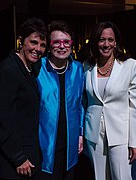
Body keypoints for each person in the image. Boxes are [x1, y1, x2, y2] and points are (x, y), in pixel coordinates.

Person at [0, 17, 47, 179]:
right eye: (33, 42)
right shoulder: (9, 69)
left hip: (28, 149)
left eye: (42, 45)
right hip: (14, 158)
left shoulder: (31, 67)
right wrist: (18, 158)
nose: (38, 48)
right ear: (21, 41)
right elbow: (3, 118)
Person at [83, 21, 136, 180]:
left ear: (116, 42)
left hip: (121, 133)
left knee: (121, 177)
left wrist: (135, 142)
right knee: (99, 177)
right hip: (94, 133)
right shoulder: (87, 67)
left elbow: (135, 105)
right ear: (95, 42)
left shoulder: (129, 65)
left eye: (110, 40)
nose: (106, 44)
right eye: (102, 40)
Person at [34, 20, 85, 180]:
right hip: (43, 141)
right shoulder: (37, 68)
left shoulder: (78, 69)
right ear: (49, 45)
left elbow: (81, 104)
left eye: (66, 42)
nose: (62, 46)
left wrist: (80, 133)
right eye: (56, 42)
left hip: (70, 140)